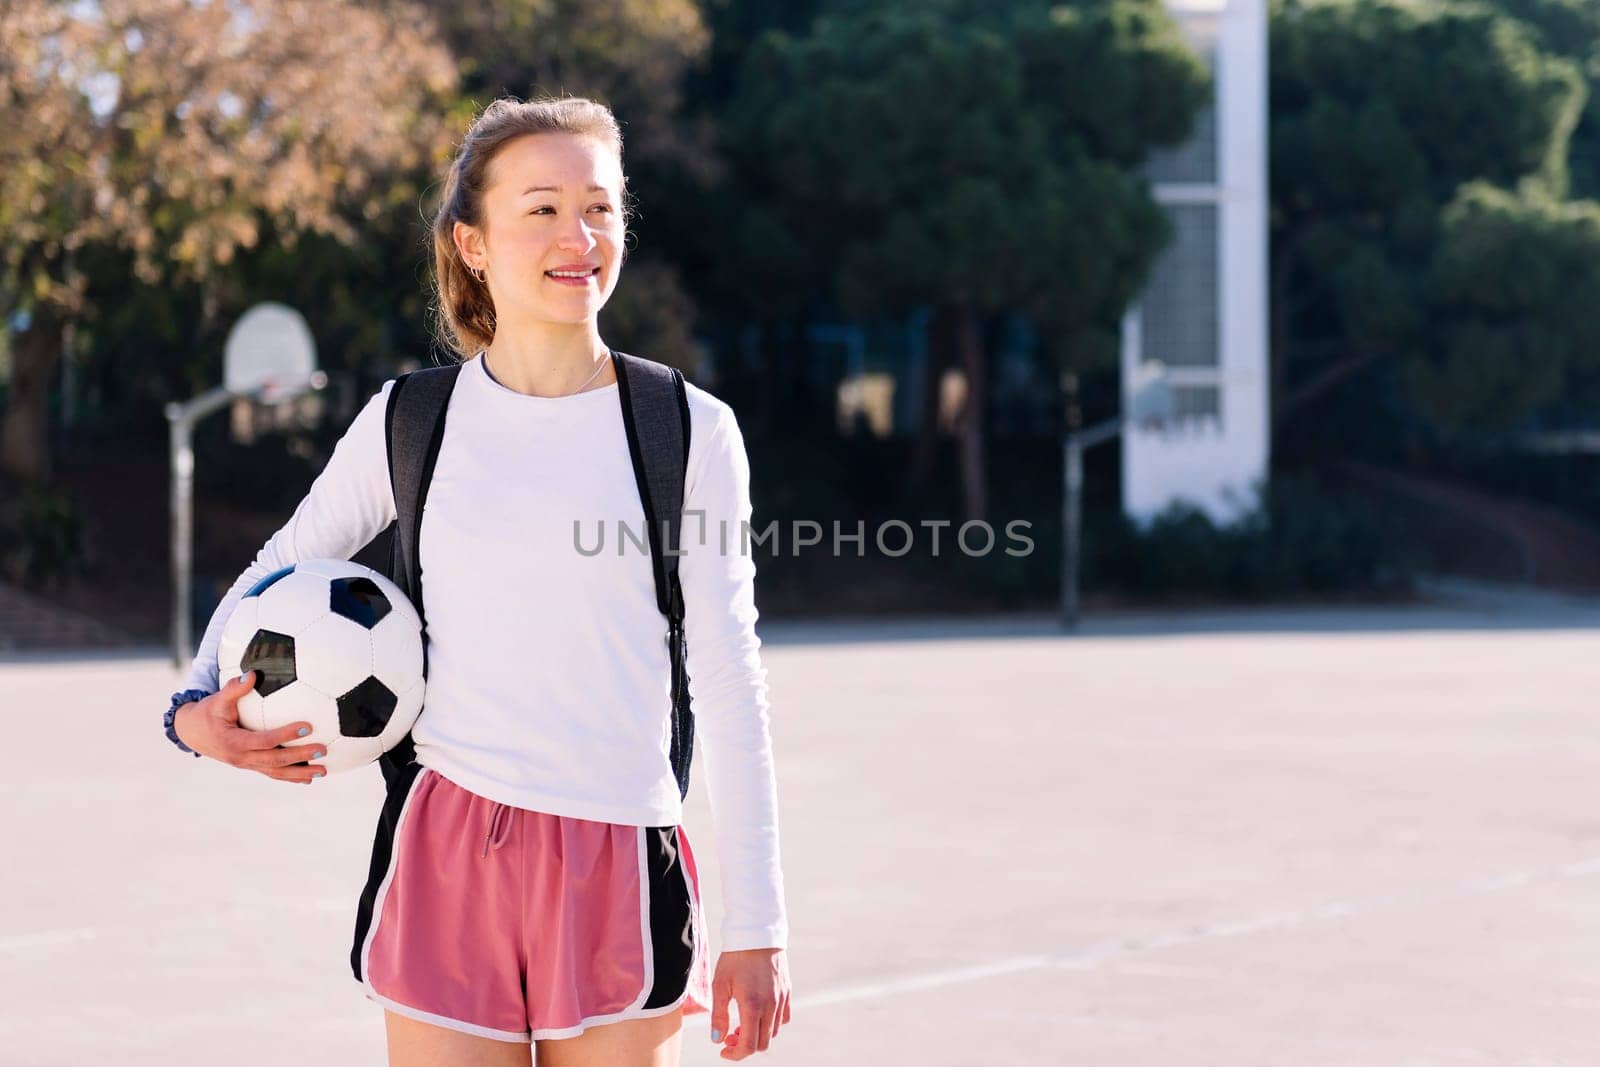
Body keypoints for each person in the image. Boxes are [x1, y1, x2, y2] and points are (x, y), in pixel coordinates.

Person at [163, 95, 792, 1067]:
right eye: (540, 207)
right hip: (448, 842)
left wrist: (760, 924)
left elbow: (729, 678)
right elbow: (272, 569)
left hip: (618, 850)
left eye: (600, 206)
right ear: (472, 241)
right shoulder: (410, 420)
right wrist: (191, 710)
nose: (577, 234)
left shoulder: (686, 429)